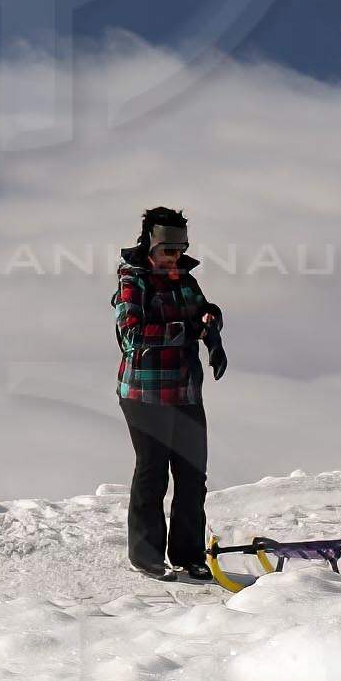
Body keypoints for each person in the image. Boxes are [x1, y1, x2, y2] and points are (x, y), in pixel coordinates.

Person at [118, 206, 232, 582]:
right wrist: (187, 331)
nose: (175, 257)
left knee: (191, 474)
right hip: (145, 392)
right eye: (168, 250)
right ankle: (146, 555)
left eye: (180, 249)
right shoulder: (133, 281)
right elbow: (131, 335)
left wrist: (210, 321)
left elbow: (201, 310)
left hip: (184, 390)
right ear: (150, 245)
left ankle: (188, 554)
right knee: (153, 473)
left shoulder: (185, 278)